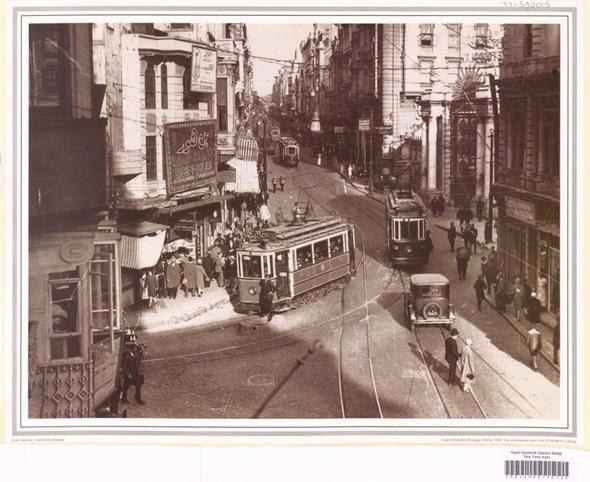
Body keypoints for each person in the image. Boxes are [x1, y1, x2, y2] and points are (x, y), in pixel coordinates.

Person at [120, 330, 145, 405]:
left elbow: (139, 358)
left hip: (135, 373)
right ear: (131, 348)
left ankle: (138, 398)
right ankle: (124, 399)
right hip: (129, 374)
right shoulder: (127, 355)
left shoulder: (135, 353)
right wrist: (128, 374)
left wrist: (142, 351)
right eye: (134, 347)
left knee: (138, 385)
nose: (135, 348)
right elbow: (123, 366)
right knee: (126, 387)